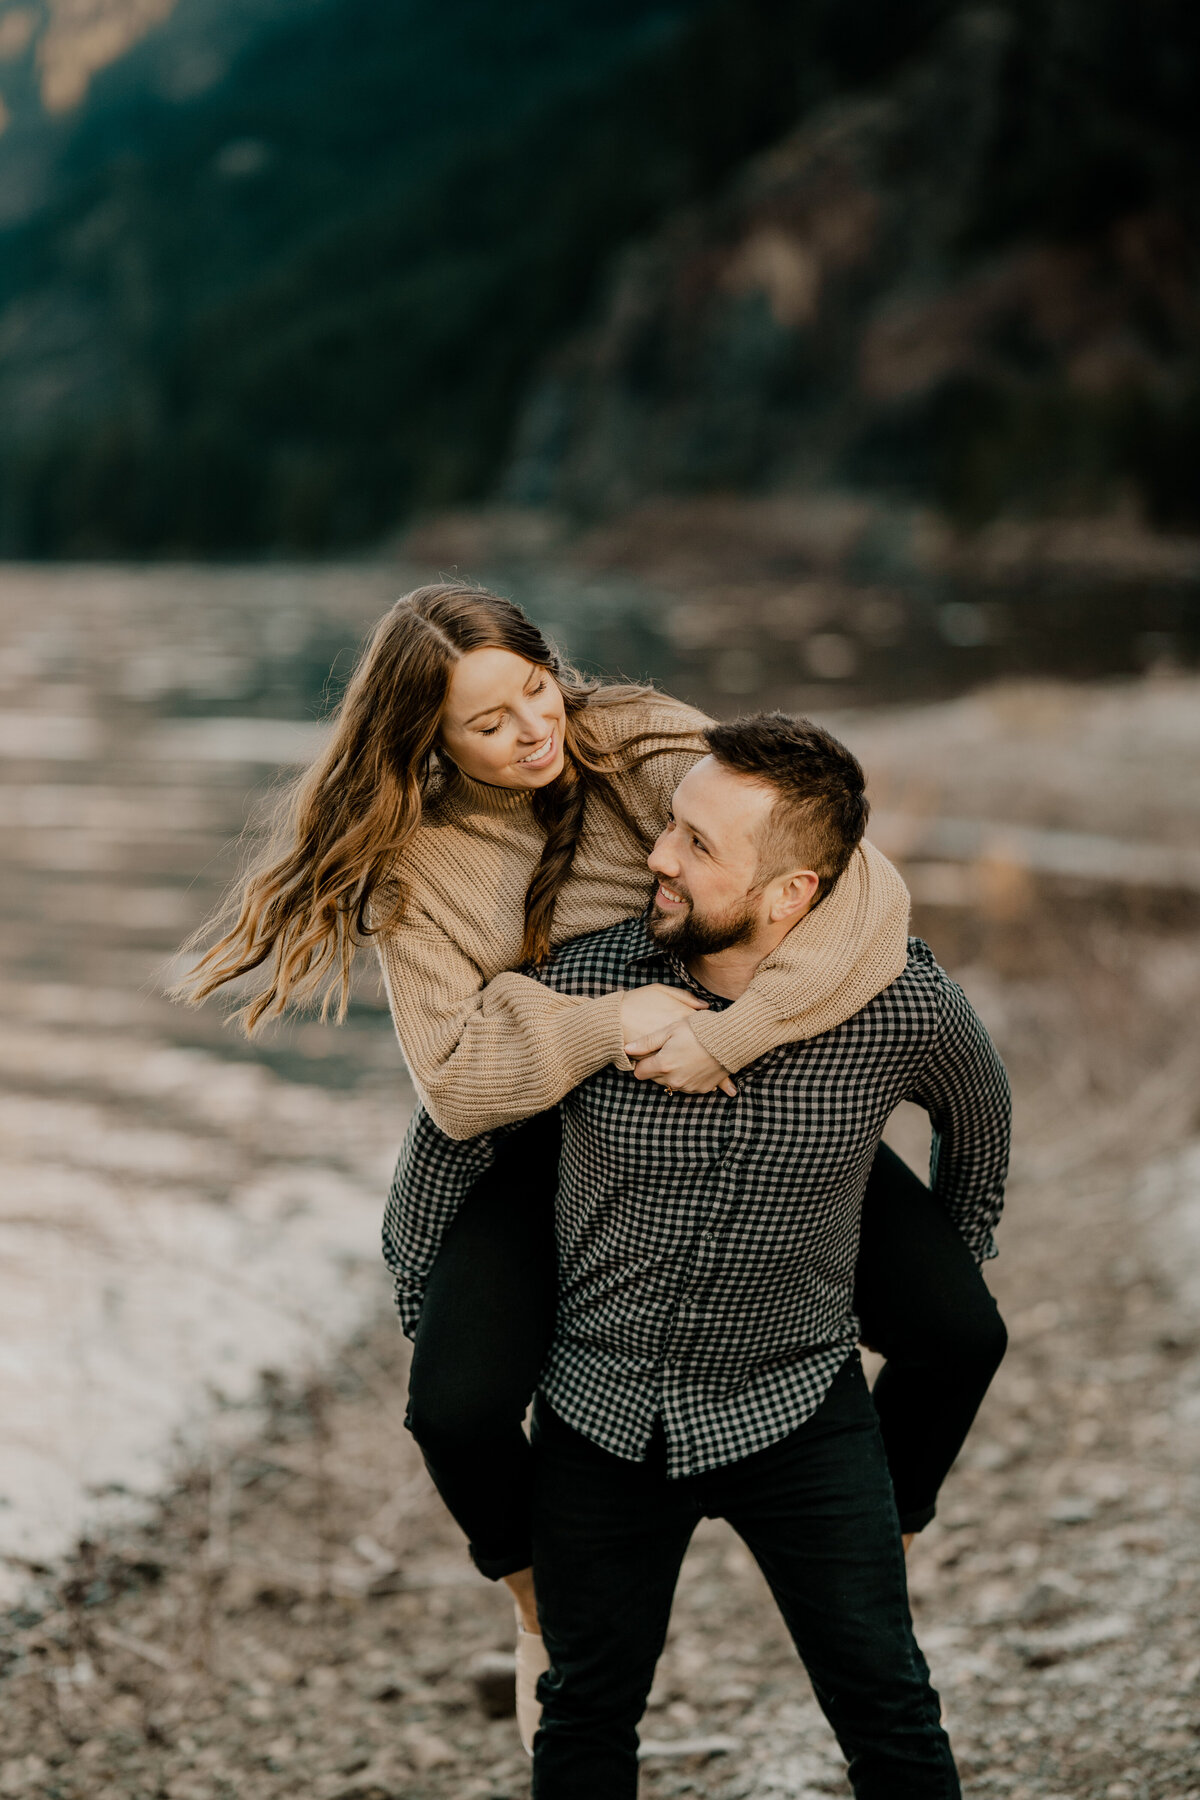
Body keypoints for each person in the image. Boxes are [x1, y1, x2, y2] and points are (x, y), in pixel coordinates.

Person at [178, 583, 1007, 1745]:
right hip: (543, 1127)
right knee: (458, 1411)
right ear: (430, 741)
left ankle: (891, 1524)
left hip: (743, 1097)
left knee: (963, 1332)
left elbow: (848, 886)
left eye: (533, 690)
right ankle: (535, 1600)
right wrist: (619, 1021)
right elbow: (461, 1085)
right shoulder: (421, 867)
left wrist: (731, 1034)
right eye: (490, 724)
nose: (532, 732)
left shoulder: (646, 740)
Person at [395, 712, 1011, 1797]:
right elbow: (454, 1131)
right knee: (585, 1715)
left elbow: (981, 1114)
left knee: (888, 1707)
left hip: (800, 1411)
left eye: (697, 845)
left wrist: (953, 1261)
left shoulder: (899, 1005)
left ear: (791, 895)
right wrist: (419, 1284)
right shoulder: (587, 982)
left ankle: (895, 1527)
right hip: (603, 1416)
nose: (657, 858)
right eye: (669, 826)